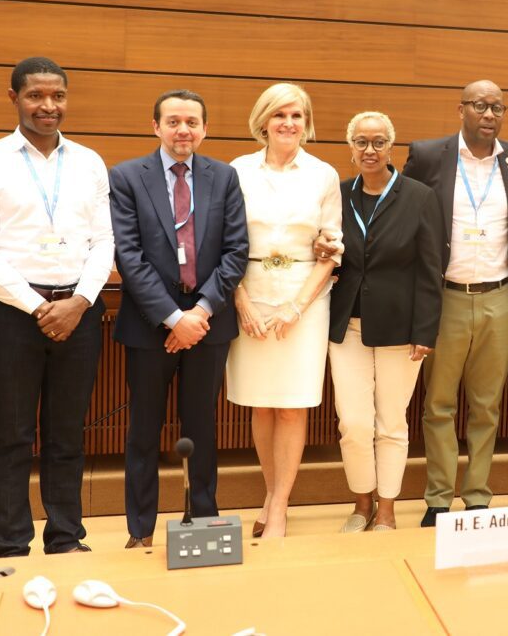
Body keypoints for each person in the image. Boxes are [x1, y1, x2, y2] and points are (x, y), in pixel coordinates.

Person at [0, 57, 115, 557]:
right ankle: (9, 543)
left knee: (67, 434)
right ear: (14, 98)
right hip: (11, 314)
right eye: (36, 96)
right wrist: (37, 307)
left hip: (79, 309)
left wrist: (79, 303)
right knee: (11, 434)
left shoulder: (90, 161)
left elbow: (104, 242)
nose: (48, 106)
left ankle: (66, 537)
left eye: (57, 97)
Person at [109, 90, 248, 548]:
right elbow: (128, 257)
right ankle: (140, 530)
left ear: (204, 128)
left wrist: (199, 312)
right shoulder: (128, 176)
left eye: (192, 122)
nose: (183, 129)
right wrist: (173, 318)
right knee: (144, 429)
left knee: (201, 427)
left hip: (208, 325)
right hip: (151, 325)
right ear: (156, 127)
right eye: (173, 121)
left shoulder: (224, 177)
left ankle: (205, 520)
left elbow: (236, 252)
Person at [402, 80, 508, 527]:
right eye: (480, 105)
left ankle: (477, 495)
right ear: (460, 109)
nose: (489, 114)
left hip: (499, 298)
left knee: (487, 405)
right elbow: (407, 220)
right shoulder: (427, 155)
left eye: (497, 106)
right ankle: (439, 498)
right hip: (446, 298)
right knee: (438, 404)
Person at [227, 83, 342, 538]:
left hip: (305, 298)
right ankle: (271, 494)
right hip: (250, 294)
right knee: (261, 405)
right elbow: (223, 242)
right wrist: (241, 301)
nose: (288, 123)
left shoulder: (323, 175)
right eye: (279, 116)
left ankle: (279, 507)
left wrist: (297, 306)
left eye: (296, 115)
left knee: (292, 407)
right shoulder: (237, 171)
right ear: (263, 122)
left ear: (307, 122)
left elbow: (331, 250)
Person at [328, 112, 442, 532]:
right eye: (361, 142)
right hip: (348, 327)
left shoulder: (419, 196)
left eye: (378, 142)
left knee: (391, 422)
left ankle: (388, 508)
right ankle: (361, 504)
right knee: (353, 423)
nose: (369, 150)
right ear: (350, 147)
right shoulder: (338, 195)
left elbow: (432, 268)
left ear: (391, 147)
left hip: (401, 330)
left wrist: (425, 330)